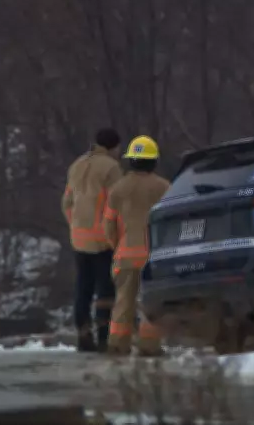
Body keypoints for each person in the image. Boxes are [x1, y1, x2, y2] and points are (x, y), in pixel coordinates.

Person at [103, 135, 171, 356]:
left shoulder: (118, 189)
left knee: (123, 302)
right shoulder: (164, 188)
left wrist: (117, 246)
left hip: (125, 254)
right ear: (153, 161)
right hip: (154, 257)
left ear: (131, 160)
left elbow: (109, 225)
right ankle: (150, 346)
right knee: (151, 303)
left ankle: (117, 343)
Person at [61, 128, 124, 352]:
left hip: (79, 237)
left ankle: (83, 333)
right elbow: (117, 203)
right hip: (103, 238)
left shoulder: (77, 165)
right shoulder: (111, 168)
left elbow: (67, 203)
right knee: (105, 289)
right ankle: (104, 336)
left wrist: (76, 225)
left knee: (83, 288)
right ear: (114, 147)